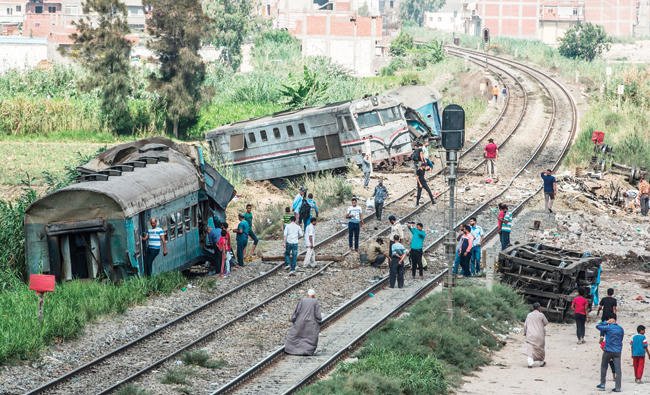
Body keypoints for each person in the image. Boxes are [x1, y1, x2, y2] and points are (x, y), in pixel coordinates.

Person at [284, 289, 322, 356]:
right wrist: (319, 321)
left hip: (300, 322)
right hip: (311, 323)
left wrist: (293, 319)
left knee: (296, 335)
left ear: (307, 295)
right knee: (309, 338)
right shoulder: (315, 301)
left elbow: (297, 311)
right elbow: (317, 314)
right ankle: (307, 351)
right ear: (314, 295)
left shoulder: (302, 300)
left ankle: (291, 350)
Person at [596, 318, 624, 392]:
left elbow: (597, 326)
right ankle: (618, 387)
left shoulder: (608, 327)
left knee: (604, 367)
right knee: (618, 369)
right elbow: (621, 338)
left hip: (608, 350)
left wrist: (605, 322)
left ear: (610, 322)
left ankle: (602, 385)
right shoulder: (621, 329)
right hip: (618, 351)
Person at [524, 303, 548, 368]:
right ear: (539, 308)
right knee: (540, 348)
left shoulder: (529, 315)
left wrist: (525, 332)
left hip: (530, 334)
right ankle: (541, 363)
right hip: (540, 335)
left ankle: (530, 363)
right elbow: (546, 322)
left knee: (530, 349)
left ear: (533, 308)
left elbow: (525, 325)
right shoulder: (541, 315)